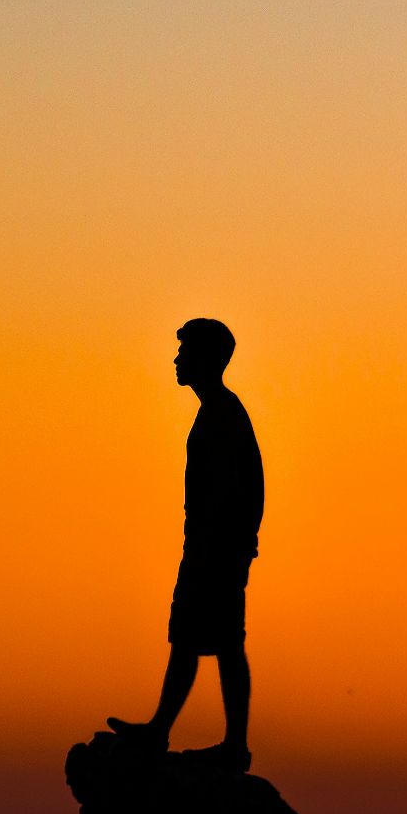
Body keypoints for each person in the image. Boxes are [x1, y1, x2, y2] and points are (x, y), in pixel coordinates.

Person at [109, 318, 264, 772]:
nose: (177, 360)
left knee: (224, 643)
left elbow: (247, 486)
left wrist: (233, 546)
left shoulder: (223, 414)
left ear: (205, 359)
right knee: (188, 639)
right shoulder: (215, 411)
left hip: (216, 551)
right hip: (207, 548)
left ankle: (233, 745)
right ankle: (161, 729)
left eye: (185, 352)